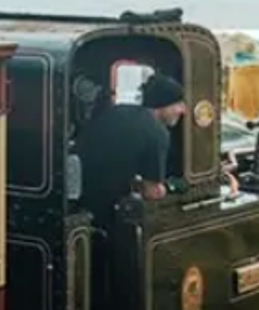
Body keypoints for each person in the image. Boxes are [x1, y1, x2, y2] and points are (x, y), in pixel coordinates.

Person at [76, 72, 187, 217]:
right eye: (178, 104)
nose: (183, 110)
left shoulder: (118, 111)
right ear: (163, 104)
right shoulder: (157, 133)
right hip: (106, 208)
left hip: (78, 197)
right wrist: (171, 186)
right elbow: (152, 192)